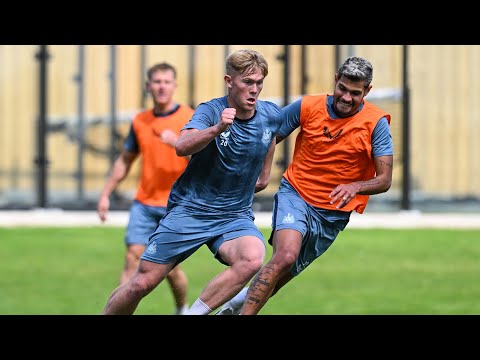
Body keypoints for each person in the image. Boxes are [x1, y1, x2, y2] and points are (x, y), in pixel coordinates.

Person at [102, 49, 284, 315]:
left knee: (252, 257)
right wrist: (217, 129)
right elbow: (182, 145)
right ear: (229, 81)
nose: (254, 89)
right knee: (142, 282)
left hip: (233, 215)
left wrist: (264, 175)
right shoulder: (210, 111)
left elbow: (272, 135)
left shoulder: (271, 114)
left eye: (259, 83)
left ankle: (191, 312)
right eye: (247, 82)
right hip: (190, 210)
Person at [216, 55, 394, 315]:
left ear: (367, 91)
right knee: (285, 256)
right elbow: (269, 133)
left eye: (355, 93)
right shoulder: (309, 106)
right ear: (335, 80)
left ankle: (231, 308)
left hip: (331, 215)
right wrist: (263, 175)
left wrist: (355, 186)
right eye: (342, 88)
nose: (345, 97)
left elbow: (384, 180)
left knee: (279, 277)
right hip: (296, 194)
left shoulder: (376, 123)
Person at [97, 62, 194, 315]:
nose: (162, 87)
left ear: (175, 85)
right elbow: (125, 160)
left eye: (167, 81)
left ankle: (182, 308)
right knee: (132, 257)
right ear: (148, 86)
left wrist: (180, 143)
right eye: (157, 81)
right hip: (144, 203)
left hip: (176, 205)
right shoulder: (140, 121)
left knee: (169, 269)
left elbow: (205, 162)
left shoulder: (189, 117)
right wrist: (106, 193)